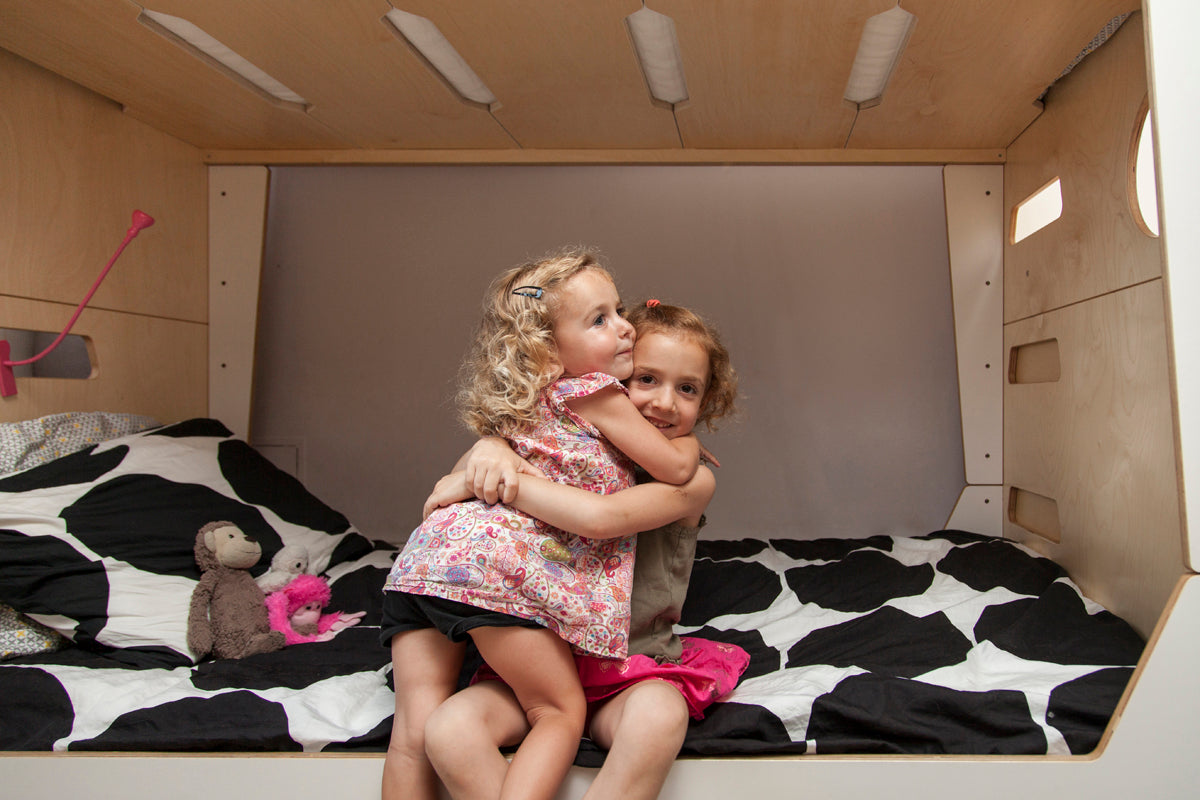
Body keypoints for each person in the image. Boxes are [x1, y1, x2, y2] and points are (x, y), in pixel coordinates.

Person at [380, 253, 702, 800]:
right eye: (599, 319)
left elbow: (450, 487)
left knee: (411, 732)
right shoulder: (594, 392)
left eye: (618, 310)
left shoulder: (523, 407)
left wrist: (479, 461)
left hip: (421, 564)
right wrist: (691, 445)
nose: (622, 325)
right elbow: (673, 468)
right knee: (557, 710)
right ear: (547, 349)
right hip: (487, 575)